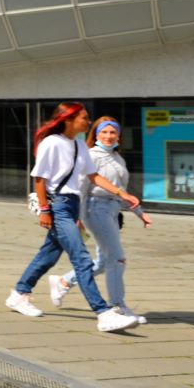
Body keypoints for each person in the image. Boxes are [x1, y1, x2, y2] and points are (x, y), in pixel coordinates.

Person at [6, 101, 144, 334]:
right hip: (58, 204)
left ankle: (19, 294)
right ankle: (103, 313)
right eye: (83, 117)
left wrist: (122, 193)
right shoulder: (52, 142)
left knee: (48, 255)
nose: (88, 121)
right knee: (81, 257)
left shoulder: (79, 146)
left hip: (73, 204)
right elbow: (39, 178)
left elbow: (93, 176)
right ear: (68, 119)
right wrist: (45, 210)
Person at [49, 117, 152, 317]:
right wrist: (77, 217)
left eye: (112, 132)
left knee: (104, 261)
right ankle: (117, 306)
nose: (108, 136)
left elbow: (121, 191)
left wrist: (140, 213)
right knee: (117, 258)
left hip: (112, 211)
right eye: (103, 132)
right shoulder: (91, 156)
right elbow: (81, 188)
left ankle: (63, 282)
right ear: (96, 134)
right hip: (95, 210)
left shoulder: (117, 158)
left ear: (118, 136)